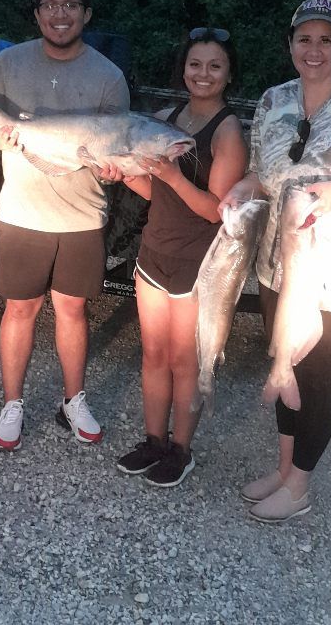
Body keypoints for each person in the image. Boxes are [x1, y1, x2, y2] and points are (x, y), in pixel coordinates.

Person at [220, 0, 331, 522]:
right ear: (290, 45)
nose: (313, 49)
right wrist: (240, 188)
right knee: (285, 362)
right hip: (280, 262)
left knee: (318, 376)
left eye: (325, 39)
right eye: (304, 39)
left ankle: (300, 488)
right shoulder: (273, 101)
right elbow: (262, 173)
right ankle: (285, 467)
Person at [0, 0, 130, 451]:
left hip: (82, 216)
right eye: (50, 6)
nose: (59, 15)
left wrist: (116, 167)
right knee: (19, 309)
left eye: (70, 6)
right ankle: (12, 403)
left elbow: (119, 146)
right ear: (38, 13)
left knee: (72, 309)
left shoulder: (109, 77)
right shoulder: (8, 65)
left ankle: (73, 399)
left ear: (85, 13)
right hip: (23, 212)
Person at [112, 28, 248, 487]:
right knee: (152, 354)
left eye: (214, 66)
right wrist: (120, 175)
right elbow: (153, 191)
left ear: (228, 75)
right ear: (183, 70)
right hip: (154, 252)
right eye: (195, 64)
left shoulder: (227, 131)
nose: (203, 74)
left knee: (184, 361)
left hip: (198, 261)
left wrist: (171, 175)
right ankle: (153, 440)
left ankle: (181, 450)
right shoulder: (165, 117)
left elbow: (217, 210)